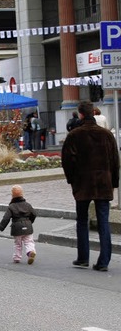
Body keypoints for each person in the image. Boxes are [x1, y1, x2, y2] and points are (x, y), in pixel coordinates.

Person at [62, 101, 119, 272]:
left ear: (80, 114)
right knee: (103, 222)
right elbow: (115, 161)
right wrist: (114, 182)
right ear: (93, 113)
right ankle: (104, 261)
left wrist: (72, 180)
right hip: (103, 183)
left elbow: (67, 161)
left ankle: (83, 257)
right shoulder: (107, 135)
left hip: (83, 183)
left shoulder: (74, 135)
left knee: (81, 220)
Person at [0, 185, 37, 264]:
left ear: (12, 196)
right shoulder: (28, 205)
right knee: (29, 242)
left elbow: (6, 218)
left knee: (18, 244)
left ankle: (17, 258)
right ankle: (30, 252)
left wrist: (1, 226)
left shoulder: (11, 206)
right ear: (22, 194)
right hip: (28, 226)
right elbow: (34, 214)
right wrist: (30, 222)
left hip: (17, 228)